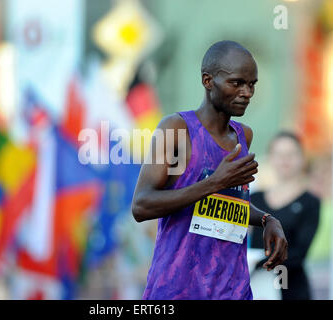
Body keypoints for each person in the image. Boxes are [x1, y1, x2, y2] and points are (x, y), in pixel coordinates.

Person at [131, 40, 288, 300]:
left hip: (232, 288)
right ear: (207, 81)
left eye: (252, 84)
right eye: (237, 83)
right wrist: (214, 182)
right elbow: (141, 205)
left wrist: (266, 220)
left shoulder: (243, 135)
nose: (247, 92)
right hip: (178, 289)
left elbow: (227, 205)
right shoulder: (177, 129)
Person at [250, 132, 320, 300]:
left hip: (291, 288)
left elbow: (300, 251)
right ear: (271, 158)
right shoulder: (255, 198)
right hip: (256, 285)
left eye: (291, 154)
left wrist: (261, 263)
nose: (285, 160)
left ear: (302, 158)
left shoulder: (310, 201)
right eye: (279, 154)